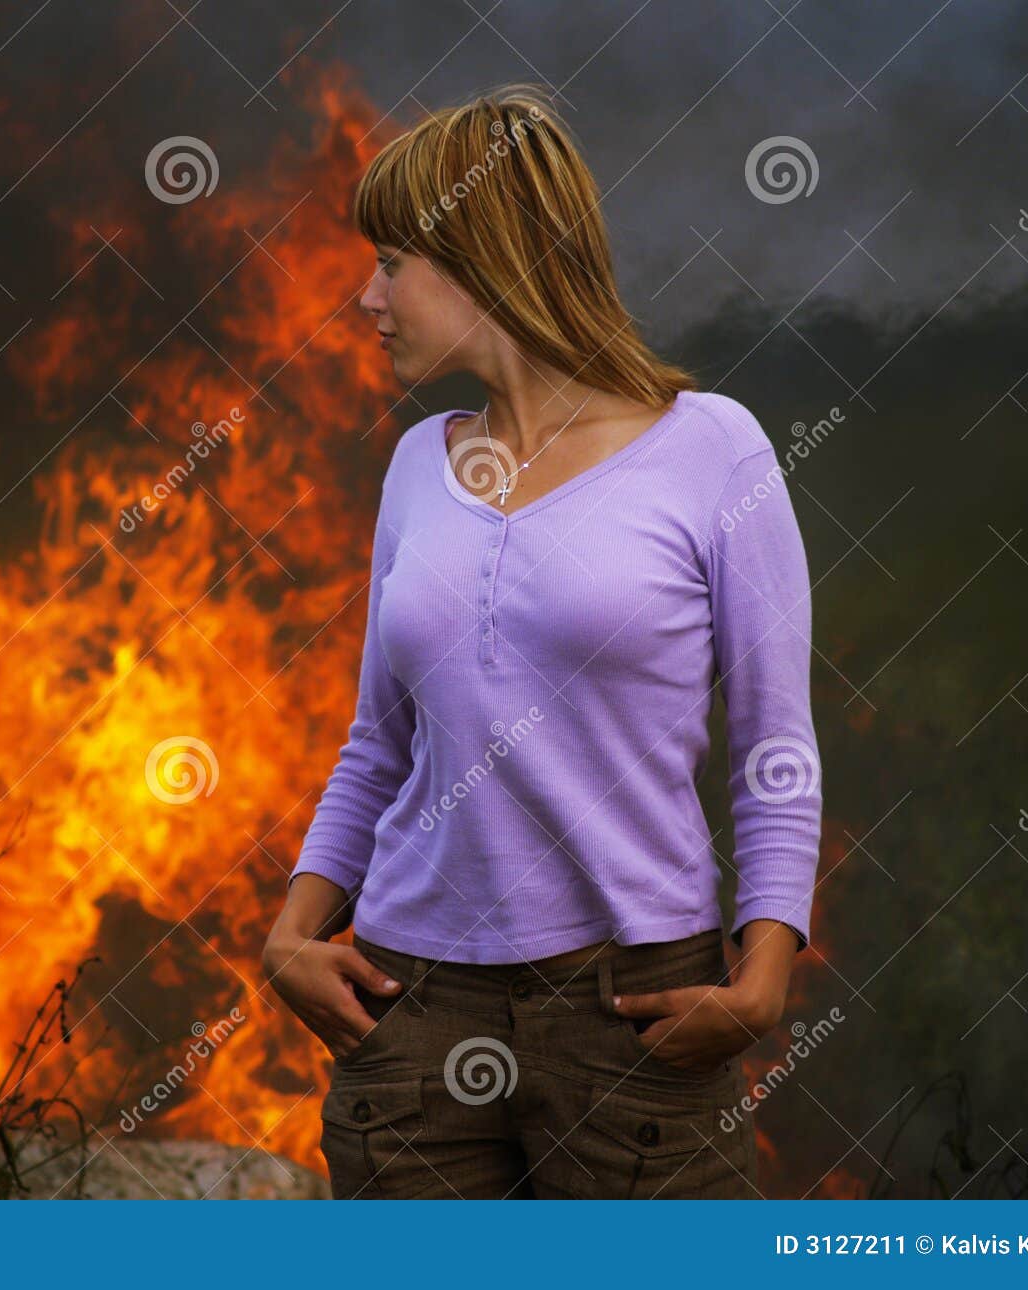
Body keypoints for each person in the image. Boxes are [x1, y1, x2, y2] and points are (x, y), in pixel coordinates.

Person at [262, 83, 821, 1199]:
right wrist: (288, 938)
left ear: (482, 258)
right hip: (409, 1014)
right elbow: (379, 744)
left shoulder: (710, 449)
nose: (365, 297)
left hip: (633, 1021)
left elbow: (774, 743)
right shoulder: (420, 461)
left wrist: (762, 981)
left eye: (390, 263)